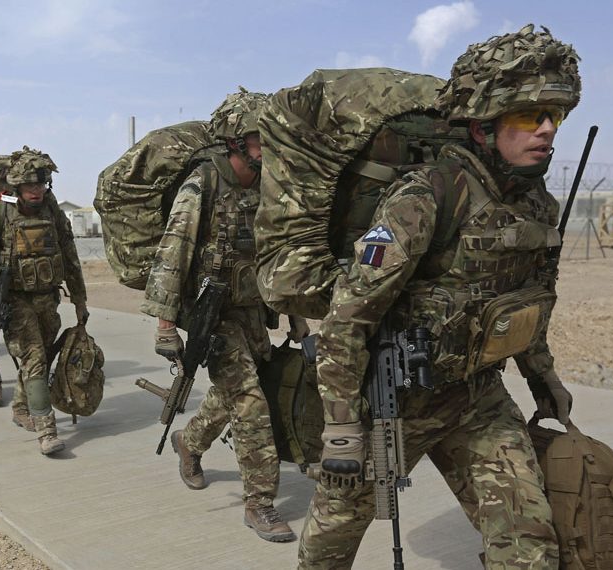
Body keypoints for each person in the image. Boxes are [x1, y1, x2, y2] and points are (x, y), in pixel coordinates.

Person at [298, 24, 579, 568]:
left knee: (529, 543)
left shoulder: (538, 206)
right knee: (331, 544)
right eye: (527, 116)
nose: (545, 130)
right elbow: (348, 317)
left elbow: (531, 302)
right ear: (482, 125)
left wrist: (543, 377)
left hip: (476, 398)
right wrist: (338, 425)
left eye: (554, 116)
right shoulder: (427, 195)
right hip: (390, 405)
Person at [141, 90, 304, 543]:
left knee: (232, 395)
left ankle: (189, 443)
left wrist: (296, 316)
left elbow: (281, 253)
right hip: (214, 315)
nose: (267, 146)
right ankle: (260, 504)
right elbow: (173, 254)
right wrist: (166, 325)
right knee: (251, 404)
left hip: (254, 310)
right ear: (235, 141)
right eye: (258, 138)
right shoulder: (202, 186)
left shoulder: (270, 186)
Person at [0, 147, 88, 455]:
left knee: (42, 355)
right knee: (34, 358)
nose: (37, 190)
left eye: (42, 184)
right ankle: (47, 430)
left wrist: (80, 300)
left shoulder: (52, 212)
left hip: (48, 298)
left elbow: (70, 257)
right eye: (30, 185)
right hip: (15, 300)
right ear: (16, 187)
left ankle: (21, 406)